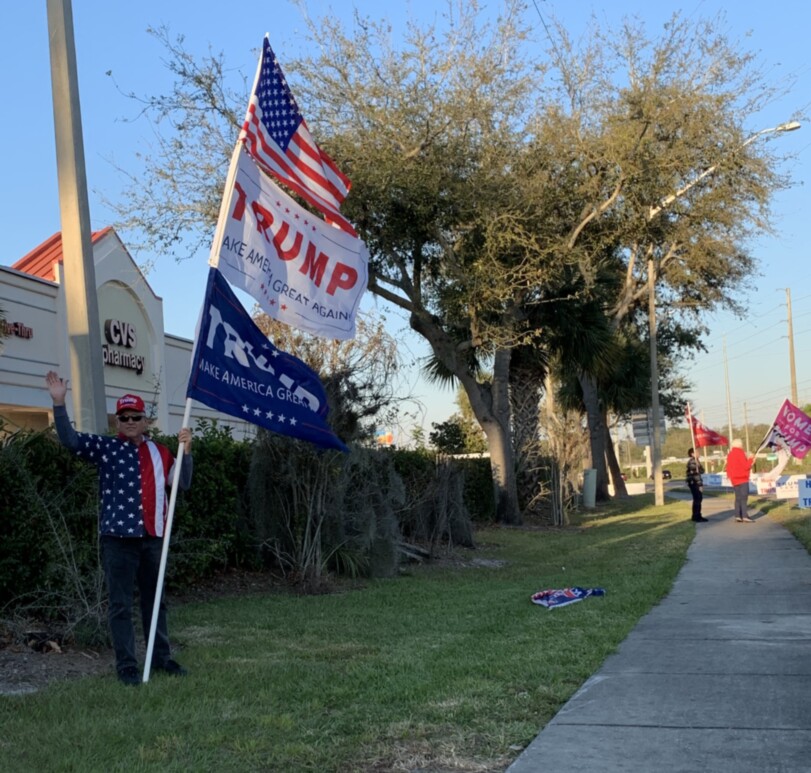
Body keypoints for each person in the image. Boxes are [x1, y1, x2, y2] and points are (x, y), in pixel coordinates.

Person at [45, 371, 194, 685]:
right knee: (120, 605)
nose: (128, 421)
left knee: (156, 603)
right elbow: (71, 441)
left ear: (145, 420)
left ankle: (161, 658)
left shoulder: (162, 452)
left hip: (153, 539)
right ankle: (127, 666)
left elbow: (181, 483)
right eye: (123, 416)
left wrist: (187, 452)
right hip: (118, 539)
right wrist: (59, 403)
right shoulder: (106, 449)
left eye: (134, 416)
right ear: (117, 422)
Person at [725, 438, 755, 523]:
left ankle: (737, 515)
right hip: (742, 478)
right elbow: (746, 466)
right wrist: (751, 459)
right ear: (740, 445)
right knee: (744, 498)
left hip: (734, 479)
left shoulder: (730, 454)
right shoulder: (740, 453)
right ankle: (745, 515)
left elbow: (729, 467)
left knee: (737, 498)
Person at [685, 448, 707, 522]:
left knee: (699, 499)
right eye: (696, 452)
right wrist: (697, 466)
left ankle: (698, 515)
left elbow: (702, 471)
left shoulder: (697, 461)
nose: (698, 453)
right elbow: (694, 472)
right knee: (697, 499)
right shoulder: (692, 461)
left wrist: (699, 466)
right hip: (694, 482)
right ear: (692, 454)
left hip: (697, 482)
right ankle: (696, 516)